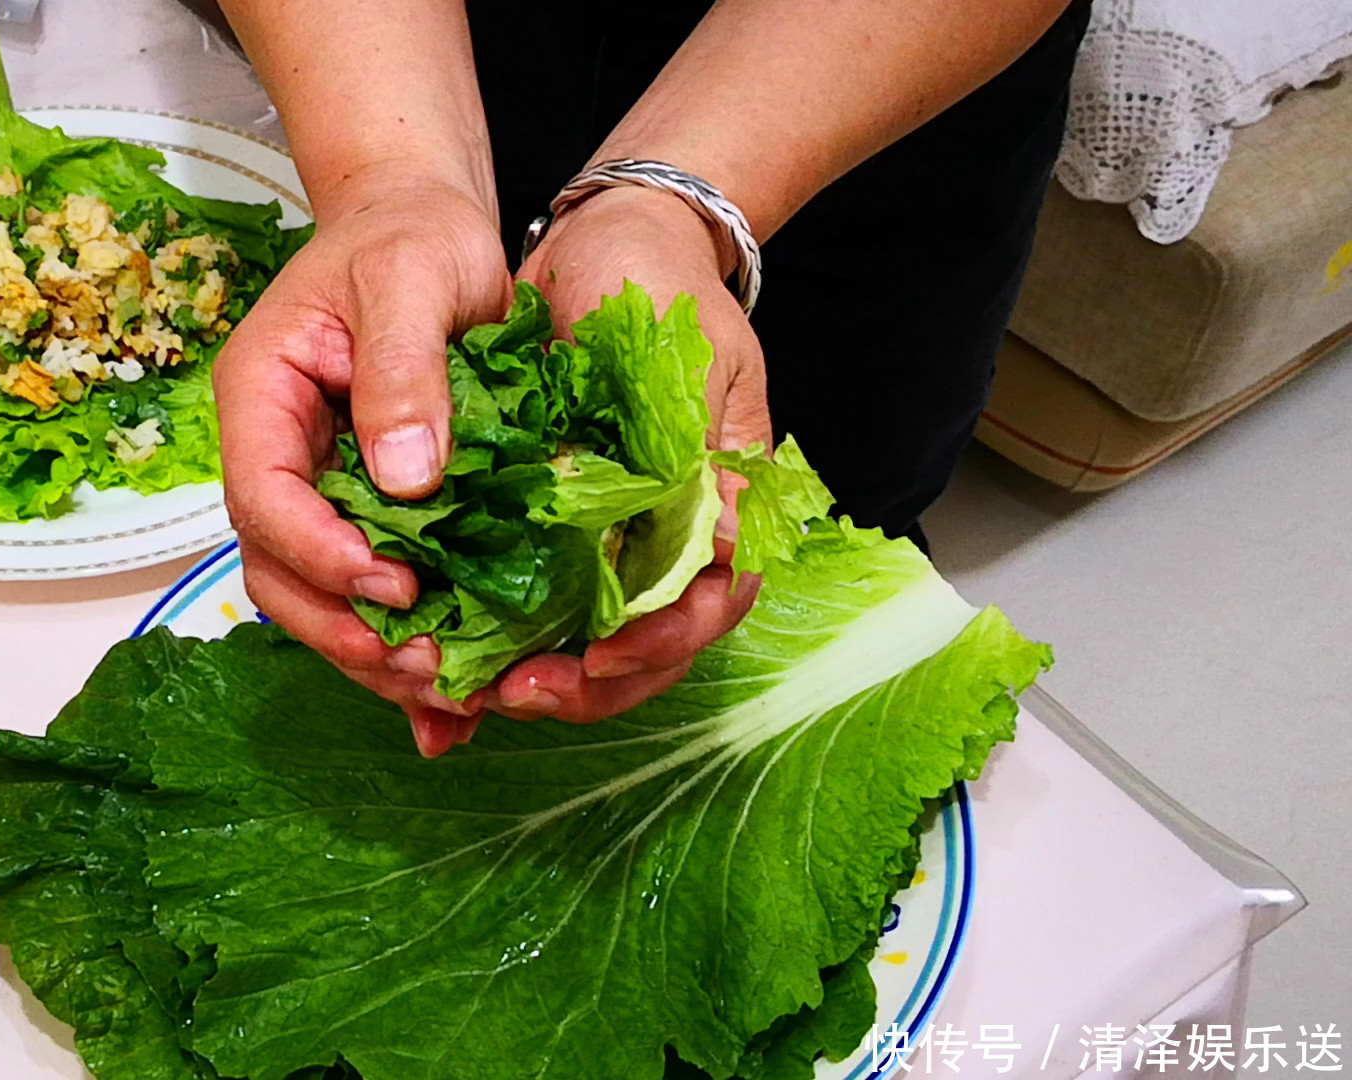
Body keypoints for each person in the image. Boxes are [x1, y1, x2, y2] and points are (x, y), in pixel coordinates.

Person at [209, 0, 1092, 756]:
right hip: (412, 49)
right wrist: (392, 178)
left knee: (820, 535)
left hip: (867, 84)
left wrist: (667, 209)